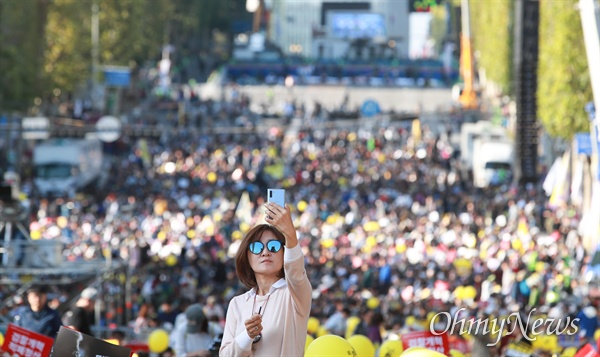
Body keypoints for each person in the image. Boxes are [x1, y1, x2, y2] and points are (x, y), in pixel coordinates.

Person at [220, 202, 312, 356]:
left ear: (284, 253)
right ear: (247, 256)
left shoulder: (293, 295)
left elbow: (296, 274)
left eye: (274, 246)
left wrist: (290, 234)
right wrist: (247, 336)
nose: (265, 252)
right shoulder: (237, 303)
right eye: (256, 247)